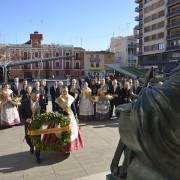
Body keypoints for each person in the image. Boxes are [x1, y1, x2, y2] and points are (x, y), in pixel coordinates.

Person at [53, 86, 84, 153]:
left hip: (70, 117)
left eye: (66, 91)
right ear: (61, 91)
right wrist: (59, 111)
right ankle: (61, 147)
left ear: (67, 91)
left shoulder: (70, 98)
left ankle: (68, 148)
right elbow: (55, 109)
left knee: (70, 133)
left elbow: (74, 108)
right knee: (61, 133)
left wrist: (76, 117)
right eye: (63, 91)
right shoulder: (58, 99)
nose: (64, 92)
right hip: (61, 117)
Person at [21, 90, 41, 163]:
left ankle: (38, 157)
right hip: (28, 125)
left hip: (37, 125)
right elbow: (21, 113)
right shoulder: (25, 102)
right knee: (28, 139)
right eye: (35, 96)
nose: (36, 98)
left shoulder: (39, 102)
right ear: (31, 95)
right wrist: (26, 119)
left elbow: (42, 112)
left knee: (38, 141)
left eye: (37, 97)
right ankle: (31, 146)